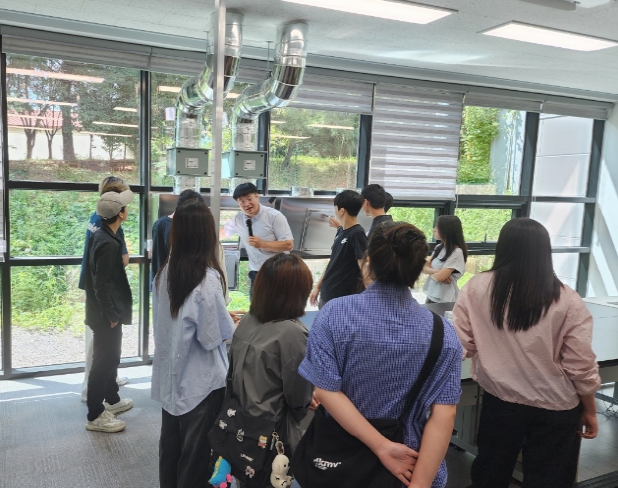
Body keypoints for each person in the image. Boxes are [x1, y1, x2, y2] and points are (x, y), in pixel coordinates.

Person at [299, 222, 463, 487]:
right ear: (418, 269)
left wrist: (382, 446)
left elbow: (326, 390)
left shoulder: (334, 314)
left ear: (368, 262)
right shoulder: (442, 332)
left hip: (338, 460)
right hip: (409, 464)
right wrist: (420, 484)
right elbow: (444, 415)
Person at [452, 218, 600, 488]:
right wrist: (590, 408)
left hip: (500, 401)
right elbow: (580, 364)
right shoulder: (567, 299)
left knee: (489, 474)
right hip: (555, 406)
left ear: (503, 247)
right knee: (550, 480)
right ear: (544, 251)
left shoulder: (476, 287)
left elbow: (460, 345)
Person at [152, 198, 235, 488]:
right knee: (197, 460)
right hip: (201, 383)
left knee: (171, 450)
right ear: (205, 235)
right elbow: (213, 337)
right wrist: (231, 323)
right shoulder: (207, 279)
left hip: (172, 379)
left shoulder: (165, 272)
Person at [229, 253, 314, 487]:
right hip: (273, 433)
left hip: (240, 424)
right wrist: (305, 404)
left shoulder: (248, 320)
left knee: (246, 478)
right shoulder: (293, 334)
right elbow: (299, 398)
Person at [83, 190, 135, 433]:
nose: (127, 209)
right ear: (120, 214)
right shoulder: (107, 243)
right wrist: (112, 315)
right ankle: (95, 414)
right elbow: (100, 285)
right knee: (103, 363)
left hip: (105, 312)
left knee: (111, 358)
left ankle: (110, 401)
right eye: (125, 207)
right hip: (105, 315)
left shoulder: (103, 234)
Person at [79, 176, 130, 402]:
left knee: (100, 345)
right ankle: (92, 395)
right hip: (102, 291)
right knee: (103, 349)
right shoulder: (111, 229)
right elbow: (123, 260)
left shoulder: (96, 216)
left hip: (91, 284)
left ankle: (108, 389)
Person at [221, 183, 293, 298]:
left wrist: (262, 244)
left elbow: (288, 244)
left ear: (257, 196)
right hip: (256, 274)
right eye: (242, 201)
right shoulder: (238, 219)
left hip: (279, 272)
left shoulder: (274, 216)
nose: (246, 204)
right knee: (256, 306)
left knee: (279, 307)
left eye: (249, 199)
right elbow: (222, 233)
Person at [310, 190, 367, 308]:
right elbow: (333, 262)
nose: (334, 211)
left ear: (342, 211)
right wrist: (317, 287)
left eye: (335, 207)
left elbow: (364, 268)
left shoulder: (357, 234)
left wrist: (371, 297)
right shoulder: (341, 231)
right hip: (328, 293)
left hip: (342, 298)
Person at [150, 189, 202, 289]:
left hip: (175, 282)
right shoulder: (166, 225)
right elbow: (160, 256)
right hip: (170, 282)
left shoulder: (161, 223)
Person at [422, 215, 468, 304]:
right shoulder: (439, 247)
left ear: (446, 230)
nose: (434, 229)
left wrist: (434, 273)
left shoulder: (457, 252)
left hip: (445, 299)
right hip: (431, 294)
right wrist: (438, 272)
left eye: (437, 227)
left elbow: (439, 277)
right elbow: (424, 268)